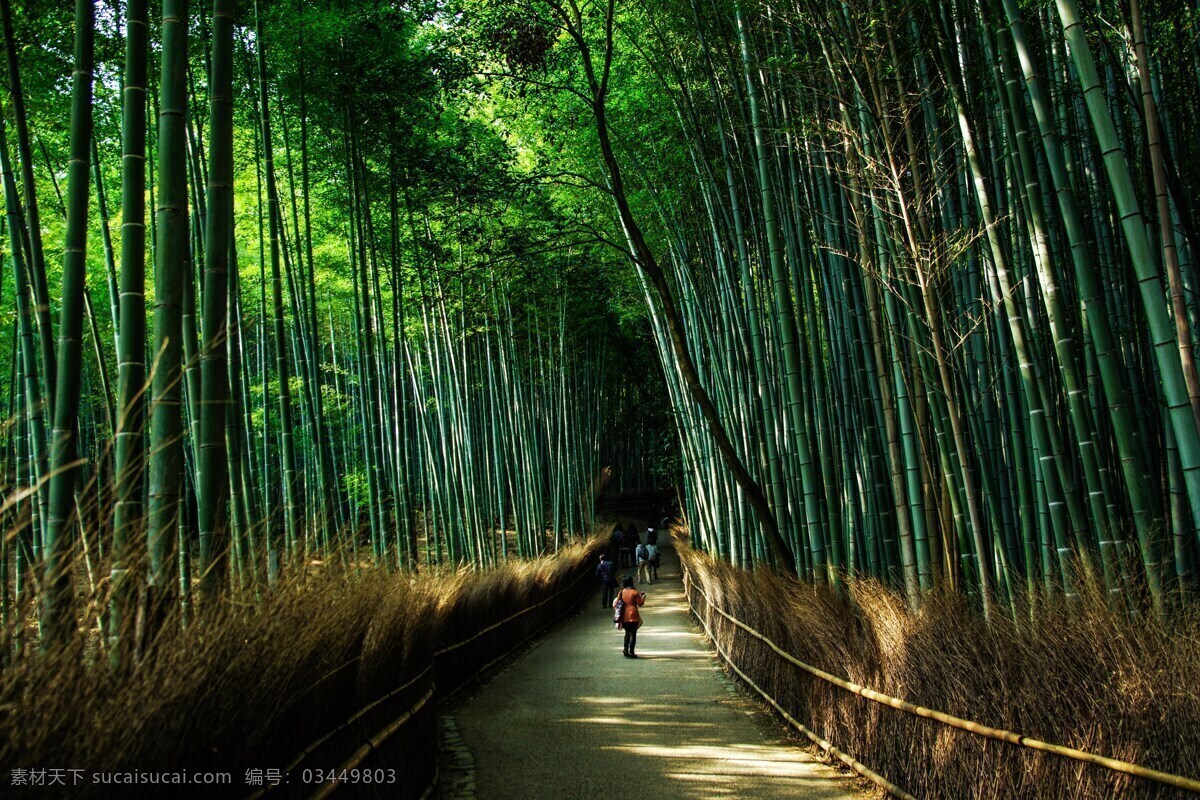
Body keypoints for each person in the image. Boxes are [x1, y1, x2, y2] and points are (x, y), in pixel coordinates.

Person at [613, 577, 646, 658]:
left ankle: (625, 649)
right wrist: (643, 597)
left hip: (624, 615)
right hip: (633, 615)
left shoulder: (622, 592)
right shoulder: (635, 592)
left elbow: (617, 603)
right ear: (631, 583)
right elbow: (640, 603)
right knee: (633, 634)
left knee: (627, 633)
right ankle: (631, 652)